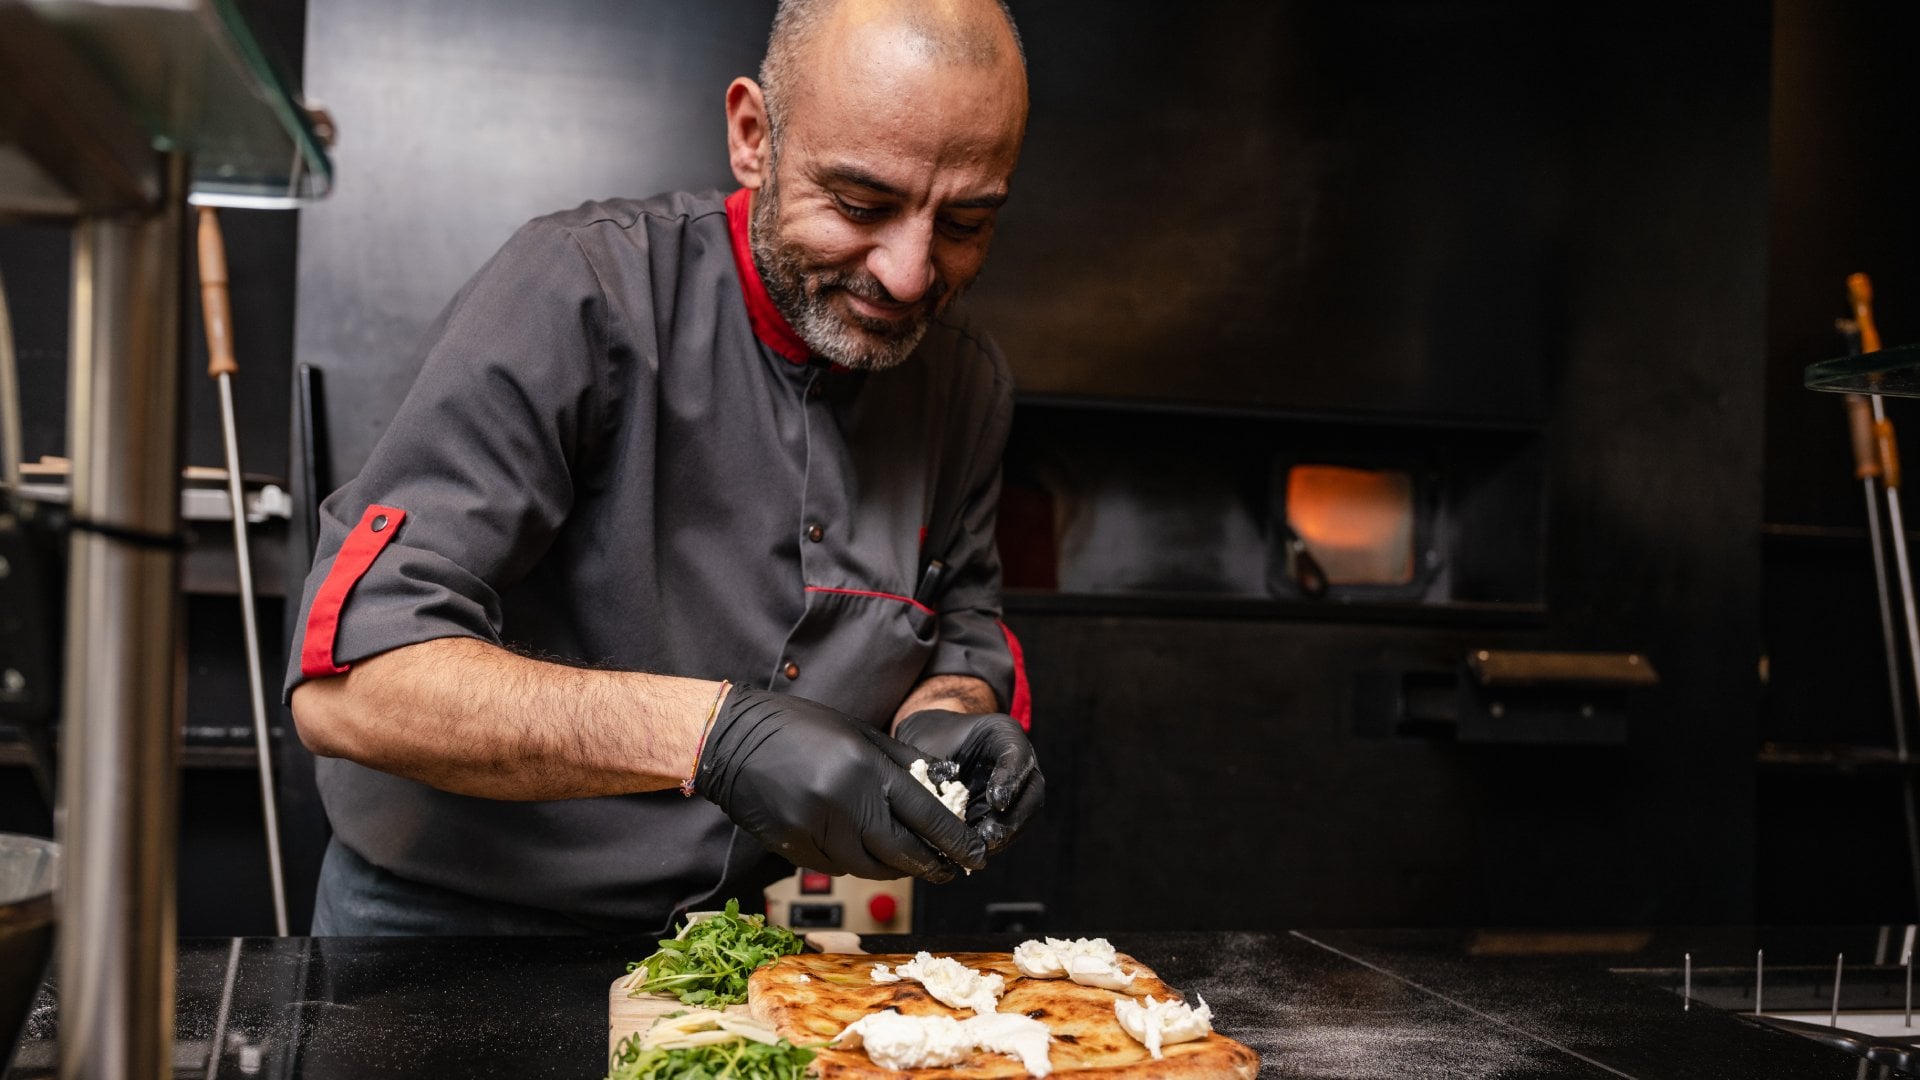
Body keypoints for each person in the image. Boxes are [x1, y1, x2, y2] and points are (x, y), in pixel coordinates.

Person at [283, 0, 1043, 936]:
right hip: (448, 928)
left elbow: (961, 627)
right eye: (859, 205)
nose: (910, 274)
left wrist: (946, 719)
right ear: (753, 135)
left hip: (722, 939)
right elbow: (354, 686)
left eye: (965, 221)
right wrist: (712, 734)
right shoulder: (579, 294)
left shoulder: (964, 383)